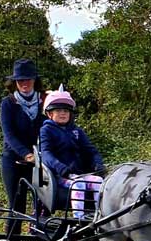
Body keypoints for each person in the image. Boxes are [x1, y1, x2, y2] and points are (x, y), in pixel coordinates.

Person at [40, 86, 104, 219]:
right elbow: (46, 154)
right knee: (78, 184)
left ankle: (99, 216)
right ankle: (79, 219)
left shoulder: (77, 131)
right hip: (60, 176)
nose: (63, 113)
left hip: (78, 174)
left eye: (65, 111)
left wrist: (98, 164)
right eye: (58, 111)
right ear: (49, 114)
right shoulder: (46, 130)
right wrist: (61, 168)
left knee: (98, 181)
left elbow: (91, 150)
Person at [0, 58, 44, 233]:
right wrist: (26, 154)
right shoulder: (8, 103)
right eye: (20, 80)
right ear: (15, 82)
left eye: (28, 79)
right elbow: (9, 135)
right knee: (17, 206)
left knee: (43, 204)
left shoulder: (45, 101)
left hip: (40, 161)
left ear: (34, 80)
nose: (24, 83)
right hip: (13, 161)